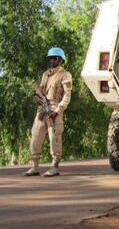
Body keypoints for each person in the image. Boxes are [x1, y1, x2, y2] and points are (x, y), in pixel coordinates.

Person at [24, 47, 72, 177]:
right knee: (36, 134)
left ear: (61, 60)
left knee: (54, 137)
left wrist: (57, 111)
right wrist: (37, 97)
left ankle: (54, 166)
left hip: (55, 108)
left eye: (54, 58)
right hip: (42, 108)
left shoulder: (65, 75)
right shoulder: (45, 74)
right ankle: (34, 166)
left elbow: (67, 96)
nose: (52, 60)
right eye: (50, 58)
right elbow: (41, 91)